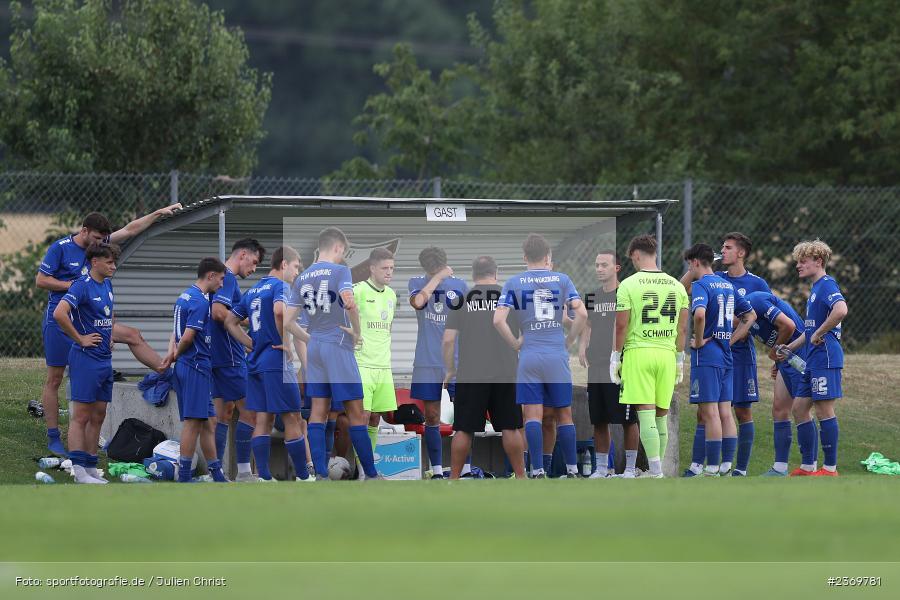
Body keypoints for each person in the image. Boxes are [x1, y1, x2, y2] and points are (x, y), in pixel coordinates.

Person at [35, 205, 180, 456]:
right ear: (84, 231)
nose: (102, 243)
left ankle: (164, 371)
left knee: (133, 334)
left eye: (105, 239)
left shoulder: (101, 247)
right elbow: (41, 280)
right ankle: (53, 436)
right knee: (55, 378)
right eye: (97, 238)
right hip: (63, 321)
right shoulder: (61, 249)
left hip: (93, 321)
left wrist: (159, 213)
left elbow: (131, 228)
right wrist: (74, 286)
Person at [286, 228, 380, 481]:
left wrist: (311, 339)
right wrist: (357, 331)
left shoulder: (302, 277)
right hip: (338, 344)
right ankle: (371, 475)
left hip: (316, 346)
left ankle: (320, 476)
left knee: (319, 410)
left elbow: (287, 321)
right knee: (356, 411)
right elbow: (349, 301)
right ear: (338, 247)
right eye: (343, 251)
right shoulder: (340, 271)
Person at [494, 234, 587, 479]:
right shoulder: (562, 279)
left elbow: (498, 320)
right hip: (556, 354)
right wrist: (569, 340)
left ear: (525, 257)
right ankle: (572, 470)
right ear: (548, 257)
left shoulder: (514, 282)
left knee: (531, 415)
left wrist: (515, 342)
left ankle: (536, 470)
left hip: (529, 355)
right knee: (564, 414)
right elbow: (583, 315)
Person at [225, 246, 312, 482]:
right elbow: (280, 311)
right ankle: (305, 478)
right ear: (283, 264)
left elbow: (230, 321)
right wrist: (289, 342)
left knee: (263, 419)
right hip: (275, 361)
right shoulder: (280, 287)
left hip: (255, 362)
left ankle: (264, 477)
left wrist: (251, 343)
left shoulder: (254, 289)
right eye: (295, 267)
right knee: (293, 417)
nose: (296, 273)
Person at [612, 235, 689, 478]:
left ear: (636, 254)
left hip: (639, 353)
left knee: (645, 414)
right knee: (661, 417)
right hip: (667, 354)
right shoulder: (677, 286)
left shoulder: (628, 284)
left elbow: (621, 326)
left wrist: (616, 356)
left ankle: (655, 473)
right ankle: (658, 472)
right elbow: (683, 329)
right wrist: (679, 359)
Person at [444, 256, 526, 480]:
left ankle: (453, 480)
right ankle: (522, 477)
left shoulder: (462, 300)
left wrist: (450, 369)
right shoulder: (510, 297)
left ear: (473, 274)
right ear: (496, 272)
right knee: (510, 426)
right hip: (506, 372)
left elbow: (448, 340)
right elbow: (526, 332)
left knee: (463, 429)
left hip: (471, 374)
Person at [52, 243, 118, 484]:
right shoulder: (81, 285)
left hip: (104, 360)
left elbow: (111, 312)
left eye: (114, 262)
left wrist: (109, 337)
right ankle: (78, 470)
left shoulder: (108, 284)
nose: (113, 266)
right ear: (95, 262)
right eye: (109, 262)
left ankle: (90, 467)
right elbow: (60, 312)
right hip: (85, 360)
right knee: (81, 416)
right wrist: (79, 338)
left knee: (99, 414)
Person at [780, 240, 847, 476]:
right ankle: (808, 466)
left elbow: (841, 310)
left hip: (826, 357)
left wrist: (820, 332)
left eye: (803, 261)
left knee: (824, 410)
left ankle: (830, 468)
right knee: (799, 408)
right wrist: (789, 346)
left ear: (818, 262)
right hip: (813, 358)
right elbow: (810, 332)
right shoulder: (815, 288)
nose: (798, 265)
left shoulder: (827, 285)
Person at [163, 257, 229, 483]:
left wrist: (172, 353)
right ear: (210, 276)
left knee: (209, 421)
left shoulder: (184, 296)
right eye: (220, 279)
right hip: (195, 366)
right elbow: (188, 337)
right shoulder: (200, 302)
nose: (221, 284)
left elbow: (174, 333)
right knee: (192, 423)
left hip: (191, 366)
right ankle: (183, 476)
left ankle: (217, 474)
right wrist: (178, 354)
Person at [408, 246, 468, 479]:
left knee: (464, 415)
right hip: (427, 360)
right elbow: (419, 302)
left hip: (457, 360)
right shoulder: (417, 283)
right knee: (431, 415)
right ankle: (436, 470)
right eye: (431, 270)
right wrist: (438, 277)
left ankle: (465, 469)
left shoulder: (461, 286)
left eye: (439, 268)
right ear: (425, 269)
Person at [209, 238, 266, 481]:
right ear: (242, 254)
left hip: (216, 356)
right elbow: (218, 312)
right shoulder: (227, 277)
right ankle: (243, 472)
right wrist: (248, 331)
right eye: (253, 262)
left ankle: (217, 474)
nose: (253, 269)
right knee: (251, 411)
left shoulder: (217, 276)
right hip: (229, 358)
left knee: (224, 413)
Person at [731, 291, 805, 476]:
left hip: (800, 352)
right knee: (779, 409)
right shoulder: (745, 319)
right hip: (786, 357)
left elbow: (788, 326)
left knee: (802, 409)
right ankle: (780, 468)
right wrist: (777, 360)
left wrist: (775, 351)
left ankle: (809, 465)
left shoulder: (755, 302)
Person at [580, 250, 639, 478]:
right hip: (596, 366)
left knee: (627, 418)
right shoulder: (593, 296)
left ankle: (631, 468)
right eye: (596, 265)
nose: (599, 269)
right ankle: (602, 468)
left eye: (604, 265)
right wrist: (582, 347)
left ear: (616, 268)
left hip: (620, 365)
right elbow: (588, 324)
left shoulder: (625, 293)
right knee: (599, 419)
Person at [683, 243, 737, 476]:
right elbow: (748, 316)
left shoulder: (701, 285)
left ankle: (712, 467)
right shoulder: (727, 285)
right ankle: (725, 464)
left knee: (709, 413)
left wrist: (700, 338)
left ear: (695, 262)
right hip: (726, 353)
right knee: (725, 412)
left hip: (708, 356)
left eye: (690, 265)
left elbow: (700, 313)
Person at [353, 248, 399, 456]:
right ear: (372, 268)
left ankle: (368, 465)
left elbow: (387, 328)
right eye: (384, 268)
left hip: (384, 366)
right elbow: (339, 321)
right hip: (362, 364)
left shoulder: (391, 295)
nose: (389, 272)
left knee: (375, 418)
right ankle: (363, 470)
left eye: (392, 268)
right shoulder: (358, 290)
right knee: (362, 415)